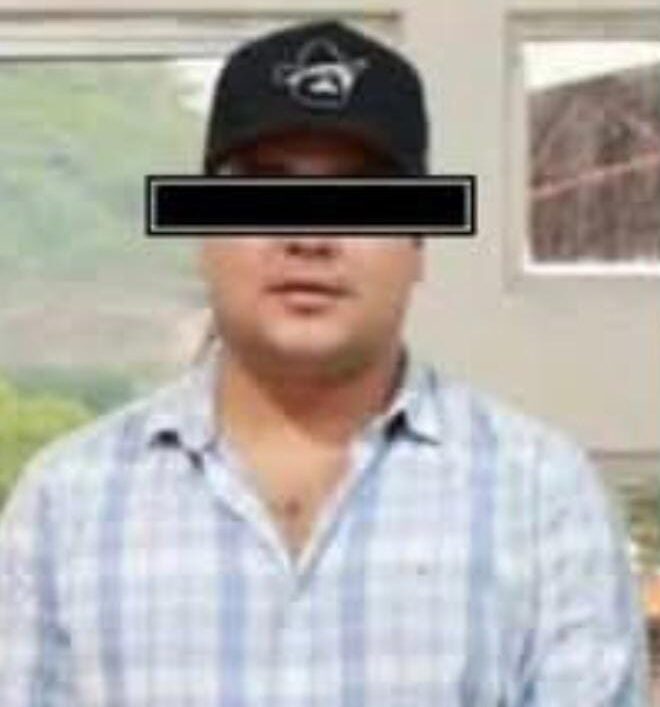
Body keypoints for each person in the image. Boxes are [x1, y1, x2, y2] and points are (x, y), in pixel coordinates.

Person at [0, 19, 650, 707]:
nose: (309, 236)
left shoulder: (542, 498)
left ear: (419, 242)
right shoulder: (67, 505)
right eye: (265, 192)